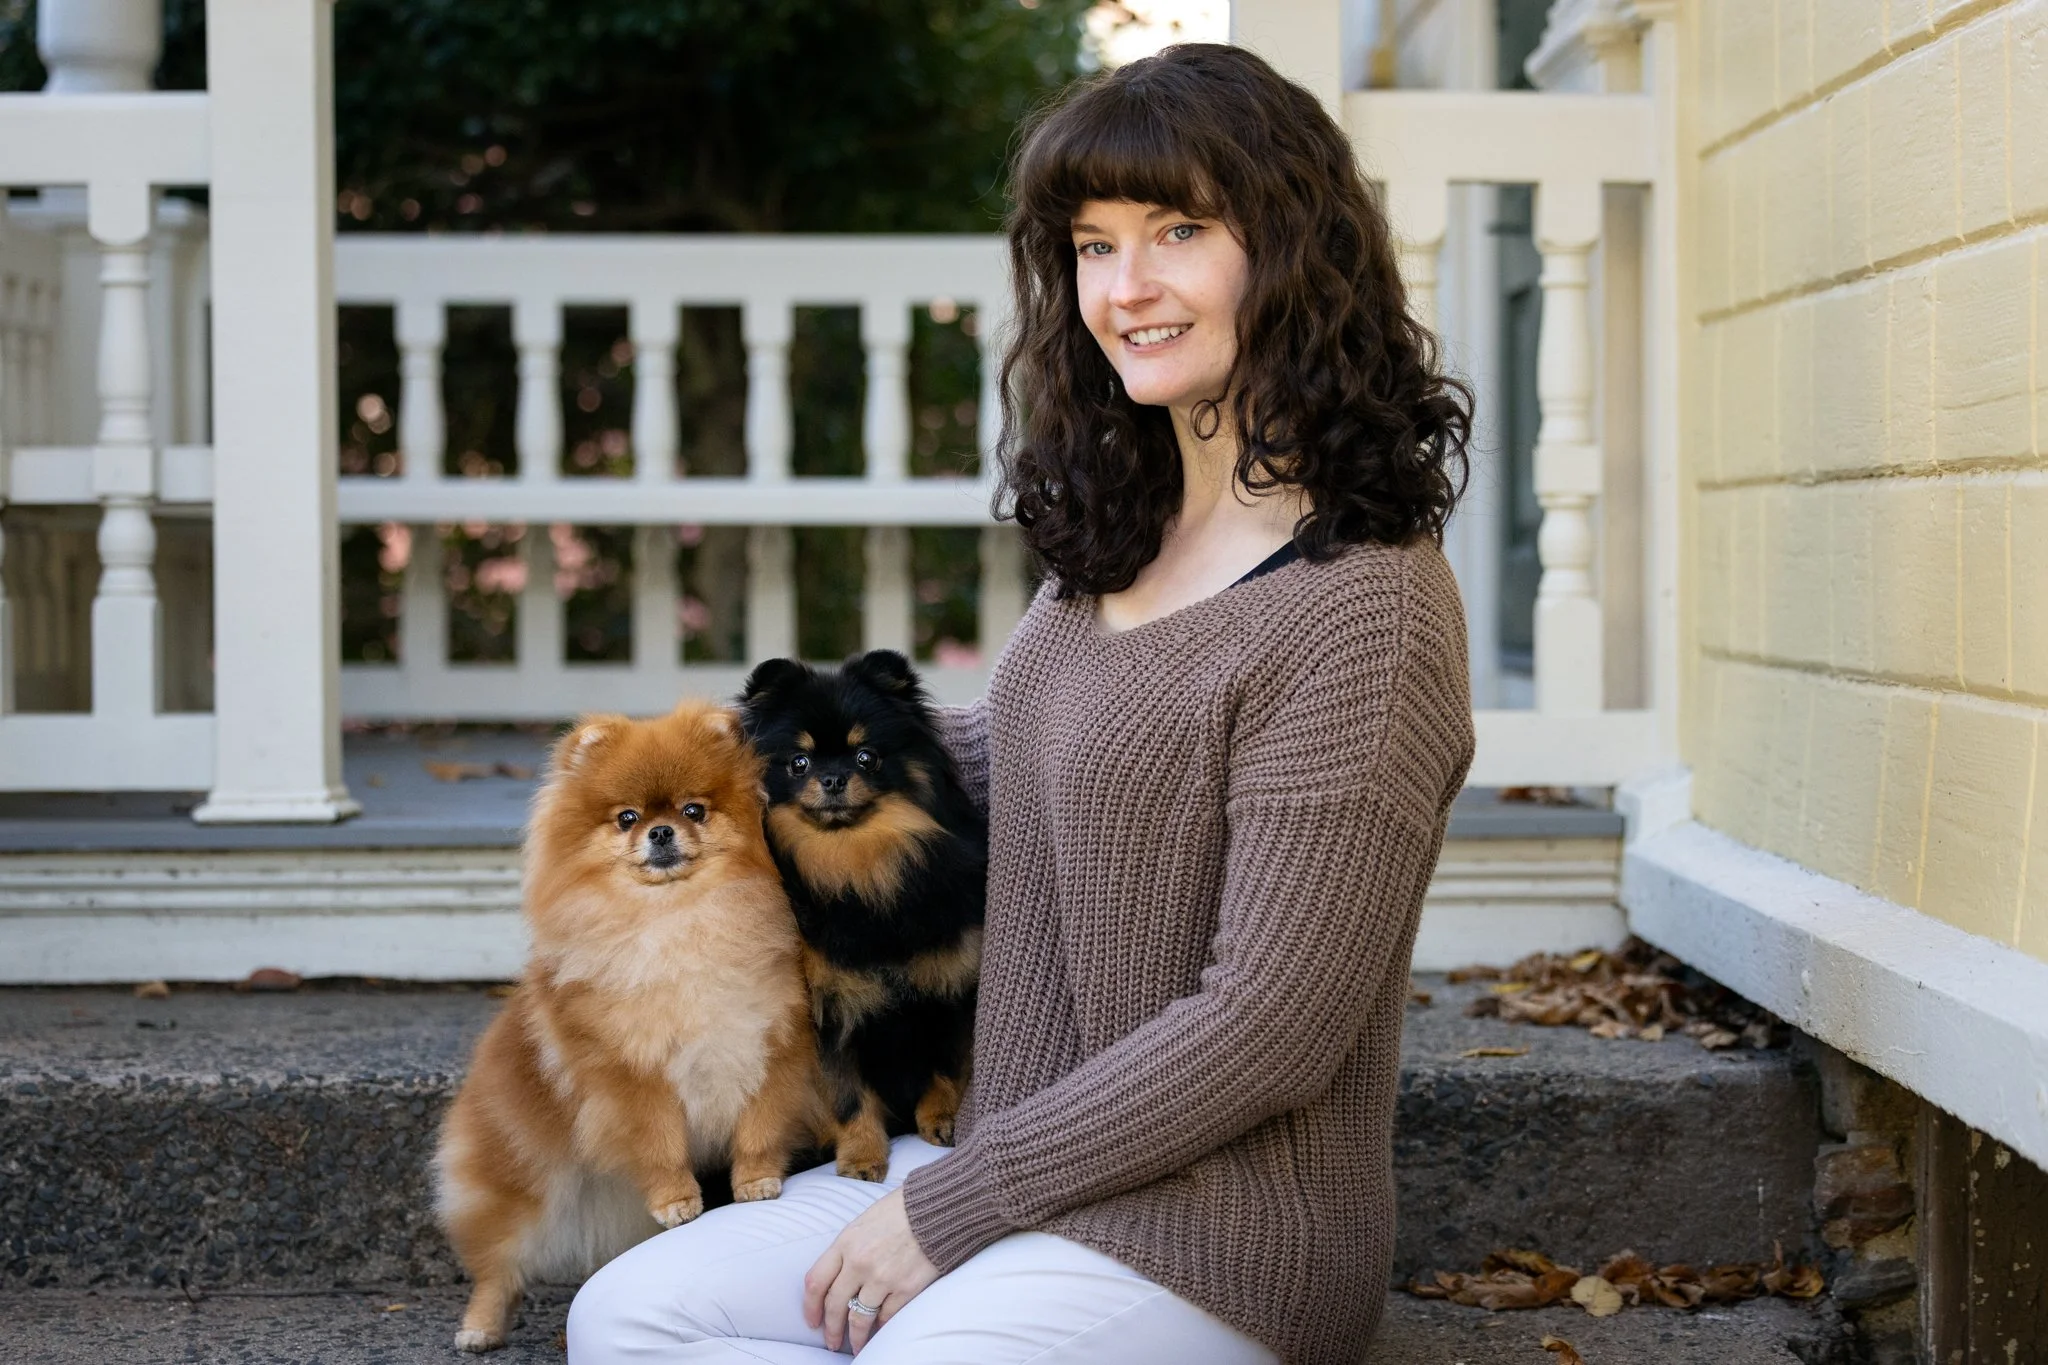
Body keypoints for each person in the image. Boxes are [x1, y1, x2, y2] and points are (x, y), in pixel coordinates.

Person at [566, 42, 1475, 1365]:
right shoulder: (1114, 546)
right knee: (631, 1318)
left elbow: (1269, 1027)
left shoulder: (1364, 605)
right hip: (1005, 1167)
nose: (1130, 288)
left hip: (1219, 1240)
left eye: (1179, 231)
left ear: (1293, 252)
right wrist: (729, 787)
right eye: (1094, 246)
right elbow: (999, 772)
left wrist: (954, 1207)